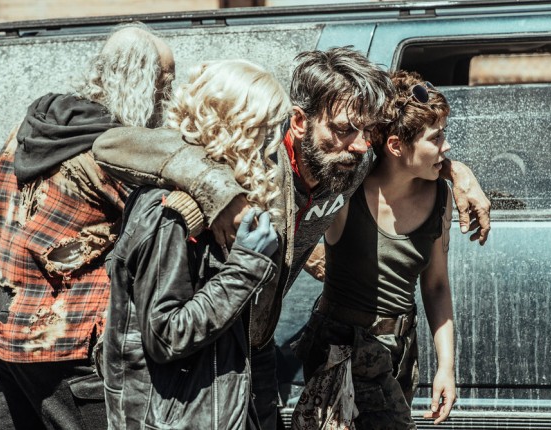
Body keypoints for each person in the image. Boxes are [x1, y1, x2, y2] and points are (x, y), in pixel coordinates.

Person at [92, 46, 491, 429]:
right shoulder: (258, 159)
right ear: (300, 122)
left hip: (257, 343)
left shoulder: (351, 161)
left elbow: (408, 153)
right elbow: (112, 145)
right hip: (201, 355)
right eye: (343, 129)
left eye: (365, 131)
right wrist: (219, 192)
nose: (358, 145)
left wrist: (456, 172)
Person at [0, 23, 174, 429]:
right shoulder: (114, 153)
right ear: (140, 84)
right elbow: (163, 227)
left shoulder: (29, 132)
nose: (169, 98)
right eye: (164, 84)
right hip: (67, 350)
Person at [102, 59, 290, 430]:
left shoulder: (227, 201)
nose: (272, 145)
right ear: (237, 126)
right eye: (266, 129)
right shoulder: (169, 212)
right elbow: (166, 334)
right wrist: (245, 267)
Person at [292, 71, 456, 430]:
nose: (446, 148)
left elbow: (436, 285)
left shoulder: (440, 196)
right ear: (395, 146)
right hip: (343, 349)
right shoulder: (349, 189)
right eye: (436, 138)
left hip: (401, 349)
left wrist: (446, 366)